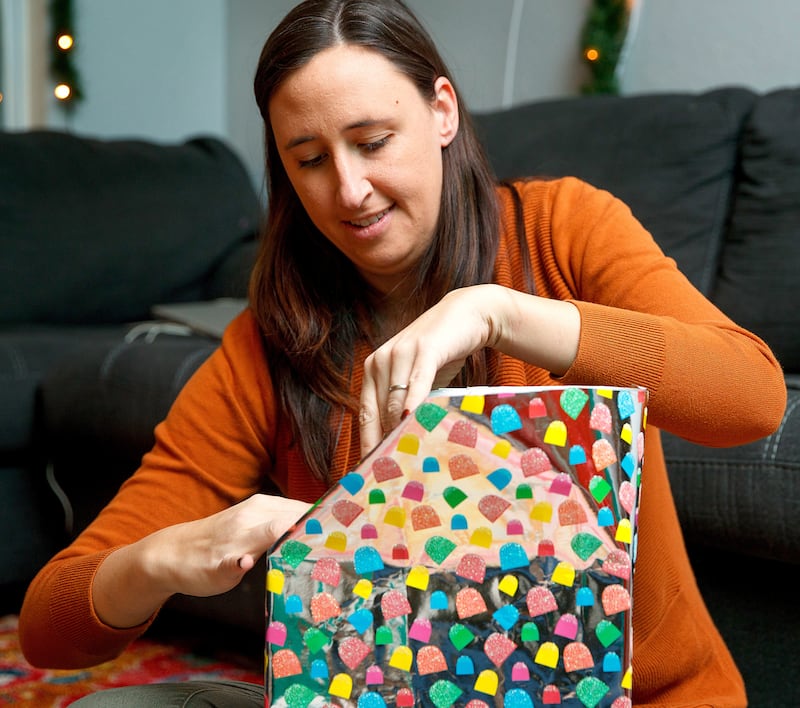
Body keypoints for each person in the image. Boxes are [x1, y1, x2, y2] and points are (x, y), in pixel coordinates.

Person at [19, 0, 785, 706]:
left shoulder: (565, 228)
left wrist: (498, 313)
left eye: (372, 141)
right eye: (310, 159)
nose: (349, 190)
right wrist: (161, 561)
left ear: (442, 111)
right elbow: (51, 629)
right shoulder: (269, 339)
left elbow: (753, 397)